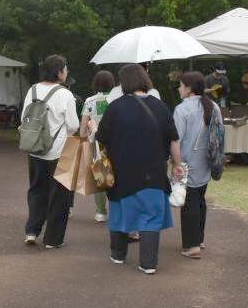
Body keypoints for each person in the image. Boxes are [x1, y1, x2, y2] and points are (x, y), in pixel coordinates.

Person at [96, 64, 184, 274]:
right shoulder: (161, 107)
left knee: (119, 212)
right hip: (152, 172)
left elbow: (102, 139)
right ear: (145, 80)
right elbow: (173, 140)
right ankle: (148, 263)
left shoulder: (115, 107)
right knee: (151, 216)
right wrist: (178, 165)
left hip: (121, 172)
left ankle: (118, 255)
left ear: (123, 82)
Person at [23, 55, 79, 248]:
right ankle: (53, 239)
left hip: (34, 149)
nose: (67, 71)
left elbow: (25, 117)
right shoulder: (65, 94)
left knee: (37, 190)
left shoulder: (33, 89)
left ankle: (32, 230)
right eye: (65, 68)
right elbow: (73, 125)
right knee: (59, 195)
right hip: (58, 151)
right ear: (59, 71)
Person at [174, 71, 214, 258]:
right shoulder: (211, 106)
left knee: (188, 203)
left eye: (181, 85)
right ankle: (199, 238)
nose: (178, 88)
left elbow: (176, 138)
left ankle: (192, 246)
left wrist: (173, 160)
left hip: (186, 162)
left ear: (188, 88)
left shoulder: (182, 109)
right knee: (199, 200)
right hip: (207, 161)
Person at [80, 70, 116, 222]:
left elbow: (82, 128)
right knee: (115, 174)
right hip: (116, 142)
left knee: (100, 175)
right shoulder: (117, 99)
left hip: (96, 143)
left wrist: (83, 137)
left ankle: (101, 212)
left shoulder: (89, 101)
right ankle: (116, 208)